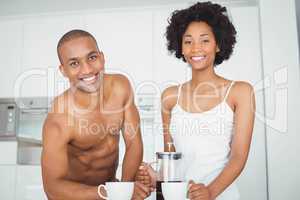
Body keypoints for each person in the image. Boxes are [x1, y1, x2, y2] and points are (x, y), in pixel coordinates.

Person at [136, 2, 255, 200]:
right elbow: (171, 160)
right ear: (180, 47)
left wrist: (210, 192)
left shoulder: (240, 92)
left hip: (222, 196)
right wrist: (156, 177)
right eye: (188, 41)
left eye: (205, 40)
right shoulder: (169, 97)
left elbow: (238, 157)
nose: (196, 48)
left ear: (218, 44)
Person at [41, 29, 151, 200]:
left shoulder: (121, 86)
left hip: (111, 191)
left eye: (92, 57)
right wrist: (114, 193)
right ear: (63, 70)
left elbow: (134, 143)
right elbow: (53, 188)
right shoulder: (60, 116)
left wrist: (125, 189)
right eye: (74, 63)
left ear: (102, 57)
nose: (87, 70)